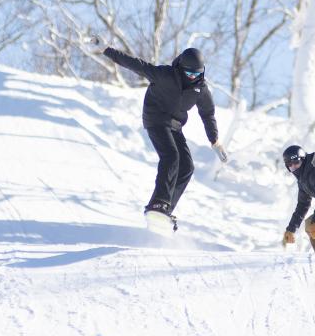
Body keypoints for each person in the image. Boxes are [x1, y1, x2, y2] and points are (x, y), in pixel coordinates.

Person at [91, 39, 228, 224]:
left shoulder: (200, 89)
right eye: (188, 73)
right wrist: (106, 50)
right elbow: (136, 64)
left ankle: (164, 211)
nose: (192, 77)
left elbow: (208, 113)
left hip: (175, 126)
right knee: (171, 156)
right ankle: (158, 203)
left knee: (187, 167)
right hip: (155, 119)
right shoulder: (165, 74)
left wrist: (215, 140)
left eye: (196, 73)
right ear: (181, 67)